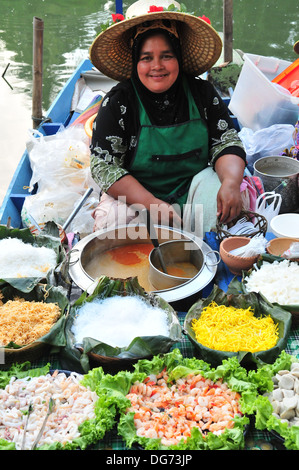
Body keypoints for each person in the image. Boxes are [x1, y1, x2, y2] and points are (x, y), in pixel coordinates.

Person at [89, 0, 252, 236]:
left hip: (192, 190)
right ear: (135, 61)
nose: (157, 66)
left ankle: (210, 256)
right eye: (146, 58)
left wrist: (231, 183)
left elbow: (226, 142)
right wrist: (151, 204)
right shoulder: (119, 102)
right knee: (114, 223)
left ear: (179, 56)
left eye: (166, 56)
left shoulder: (202, 93)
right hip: (137, 197)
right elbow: (103, 166)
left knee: (231, 199)